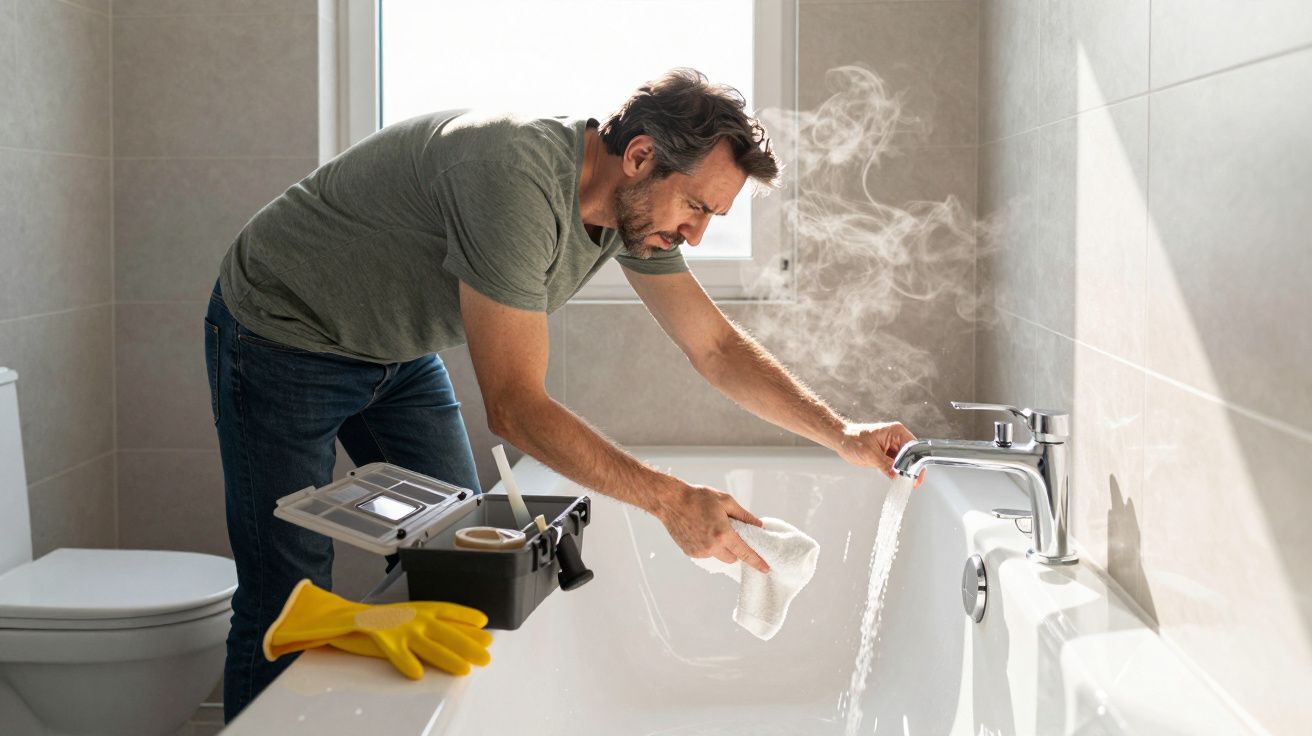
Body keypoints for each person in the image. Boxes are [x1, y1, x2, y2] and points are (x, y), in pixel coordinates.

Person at [204, 68, 917, 721]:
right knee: (284, 592)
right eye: (696, 207)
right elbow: (514, 406)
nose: (694, 236)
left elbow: (717, 348)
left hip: (393, 350)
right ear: (639, 157)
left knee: (468, 565)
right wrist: (670, 501)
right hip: (281, 331)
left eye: (711, 220)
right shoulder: (513, 180)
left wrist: (843, 433)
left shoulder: (632, 210)